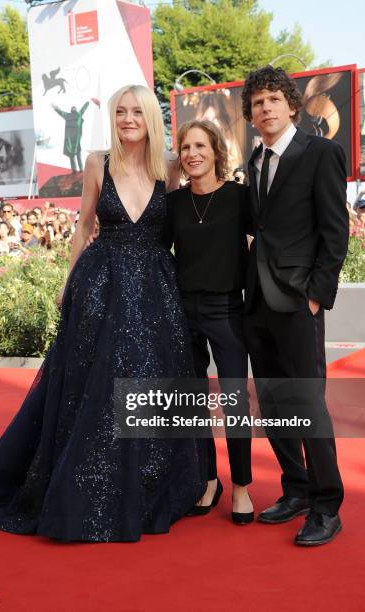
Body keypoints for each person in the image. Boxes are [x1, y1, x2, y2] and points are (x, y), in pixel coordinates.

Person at [0, 84, 206, 542]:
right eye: (120, 111)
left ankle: (145, 483)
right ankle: (87, 482)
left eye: (135, 112)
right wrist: (68, 281)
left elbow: (189, 226)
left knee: (149, 380)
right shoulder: (98, 162)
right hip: (102, 285)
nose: (127, 119)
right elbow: (84, 227)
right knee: (94, 386)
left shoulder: (169, 168)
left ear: (149, 118)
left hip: (156, 290)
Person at [241, 66, 349, 546]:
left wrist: (314, 296)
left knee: (307, 404)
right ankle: (296, 488)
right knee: (274, 402)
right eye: (257, 103)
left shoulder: (321, 152)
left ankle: (327, 506)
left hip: (297, 301)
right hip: (257, 301)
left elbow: (335, 232)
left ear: (291, 104)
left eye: (271, 100)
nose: (264, 108)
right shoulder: (256, 158)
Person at [165, 119, 253, 524]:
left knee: (234, 400)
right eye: (185, 148)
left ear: (216, 151)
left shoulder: (239, 197)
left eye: (200, 146)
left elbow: (269, 241)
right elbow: (155, 253)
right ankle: (207, 479)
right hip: (183, 312)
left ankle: (241, 487)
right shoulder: (175, 203)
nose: (192, 154)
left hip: (227, 311)